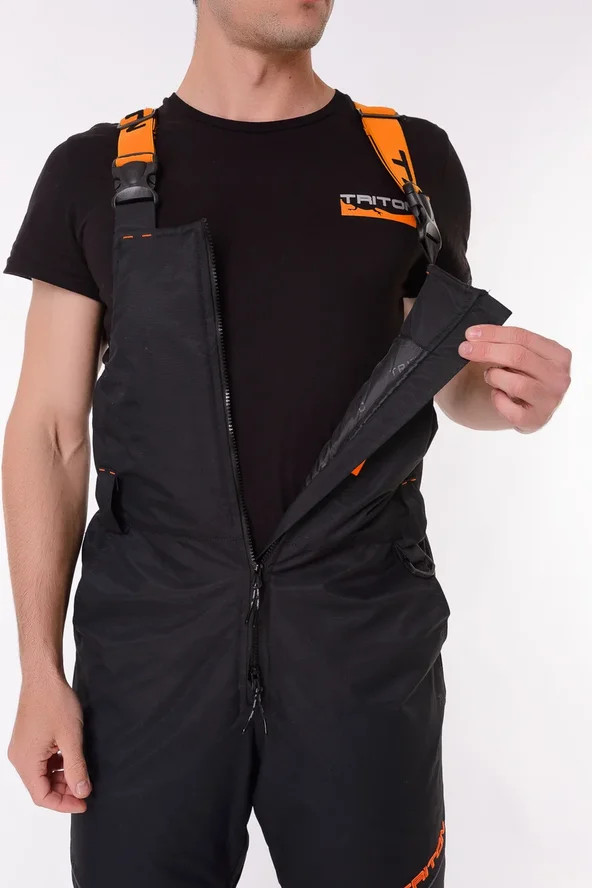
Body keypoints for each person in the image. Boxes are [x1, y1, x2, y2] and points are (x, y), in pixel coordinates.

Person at [2, 2, 571, 887]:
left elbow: (444, 378)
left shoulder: (409, 162)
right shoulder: (95, 172)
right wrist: (39, 671)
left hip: (362, 646)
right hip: (150, 660)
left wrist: (512, 400)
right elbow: (47, 432)